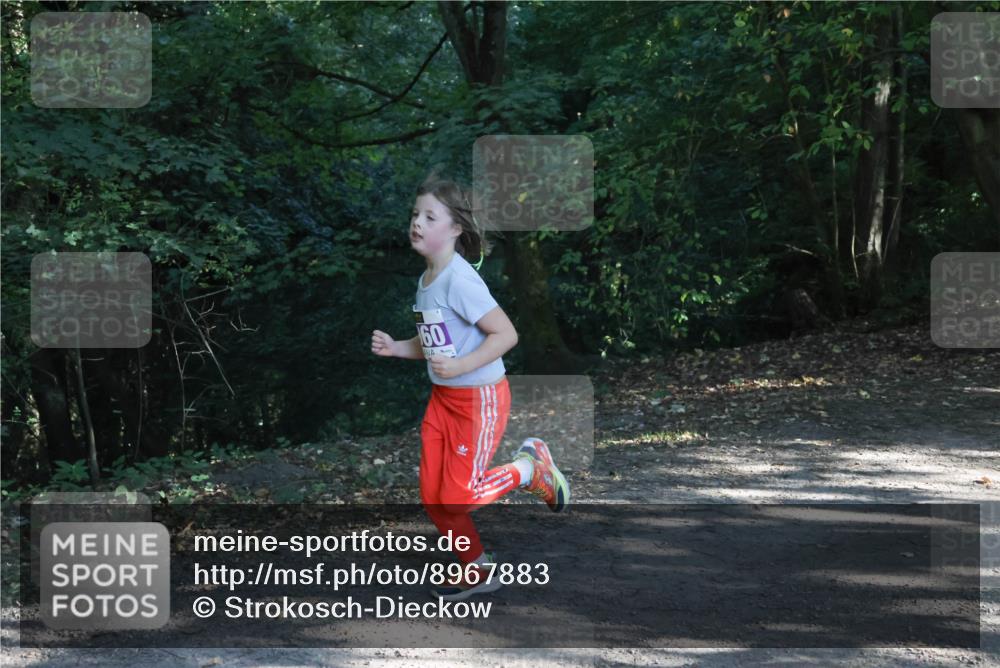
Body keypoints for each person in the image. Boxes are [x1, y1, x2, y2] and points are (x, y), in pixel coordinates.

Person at [371, 175, 570, 601]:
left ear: (456, 229)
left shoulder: (460, 281)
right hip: (443, 401)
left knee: (457, 497)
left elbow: (506, 334)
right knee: (433, 496)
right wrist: (396, 348)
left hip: (478, 401)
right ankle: (477, 571)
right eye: (414, 215)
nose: (417, 223)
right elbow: (435, 347)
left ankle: (529, 470)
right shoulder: (426, 282)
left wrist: (460, 365)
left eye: (429, 216)